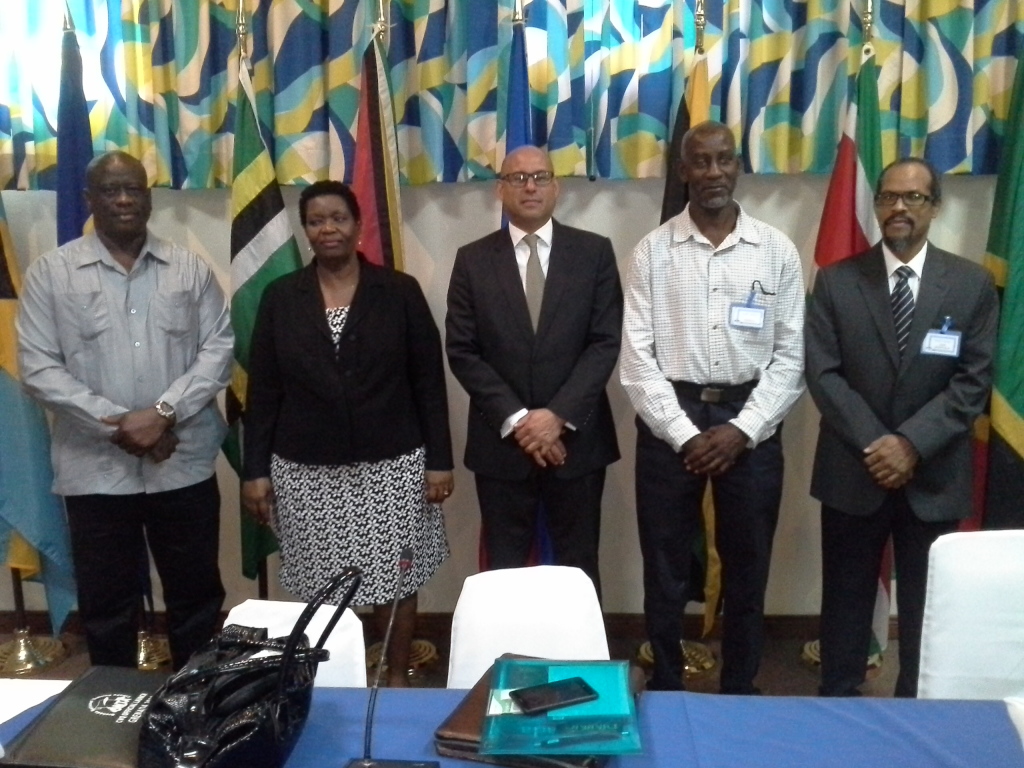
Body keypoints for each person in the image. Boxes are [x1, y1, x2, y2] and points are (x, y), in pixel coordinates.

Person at [17, 150, 232, 669]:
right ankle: (110, 717)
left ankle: (196, 713)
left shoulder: (189, 269)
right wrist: (122, 427)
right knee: (107, 608)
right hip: (96, 473)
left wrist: (162, 413)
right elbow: (39, 367)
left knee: (196, 601)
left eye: (132, 188)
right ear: (88, 199)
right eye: (109, 190)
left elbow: (219, 349)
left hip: (180, 465)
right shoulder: (52, 273)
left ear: (149, 196)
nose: (122, 199)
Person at [242, 180, 453, 687]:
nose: (328, 228)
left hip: (393, 465)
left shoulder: (399, 291)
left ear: (358, 226)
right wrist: (254, 472)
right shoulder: (280, 297)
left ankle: (396, 675)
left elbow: (428, 381)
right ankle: (336, 681)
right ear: (306, 230)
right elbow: (264, 391)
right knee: (321, 584)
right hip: (306, 472)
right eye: (316, 220)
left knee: (397, 578)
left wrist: (440, 460)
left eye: (338, 217)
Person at [620, 121, 805, 693]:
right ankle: (669, 685)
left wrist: (742, 430)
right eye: (700, 162)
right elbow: (637, 358)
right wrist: (684, 434)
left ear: (739, 166)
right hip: (669, 421)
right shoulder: (652, 251)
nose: (713, 172)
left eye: (724, 160)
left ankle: (740, 687)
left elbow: (791, 355)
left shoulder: (775, 249)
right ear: (683, 172)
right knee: (666, 569)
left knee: (748, 570)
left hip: (749, 424)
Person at [806, 158, 998, 698]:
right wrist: (879, 444)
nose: (899, 208)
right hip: (853, 470)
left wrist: (911, 444)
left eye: (913, 198)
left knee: (928, 608)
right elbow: (823, 374)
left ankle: (919, 709)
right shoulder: (838, 281)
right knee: (843, 603)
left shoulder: (971, 285)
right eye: (889, 197)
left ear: (935, 206)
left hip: (933, 475)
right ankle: (839, 707)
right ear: (876, 205)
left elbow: (974, 380)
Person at [445, 145, 622, 597]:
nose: (530, 186)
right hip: (502, 444)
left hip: (577, 443)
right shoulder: (472, 259)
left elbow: (604, 342)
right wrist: (521, 420)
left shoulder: (594, 253)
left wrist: (556, 416)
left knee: (579, 568)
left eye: (540, 177)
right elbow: (463, 350)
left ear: (556, 186)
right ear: (500, 189)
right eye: (518, 178)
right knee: (504, 573)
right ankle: (509, 662)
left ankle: (580, 664)